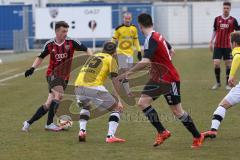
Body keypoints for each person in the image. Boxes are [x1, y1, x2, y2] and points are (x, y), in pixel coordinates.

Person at [117, 13, 204, 148]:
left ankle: (197, 136)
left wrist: (127, 74)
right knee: (143, 103)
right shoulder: (158, 35)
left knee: (177, 112)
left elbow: (145, 61)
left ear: (140, 26)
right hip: (158, 78)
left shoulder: (151, 39)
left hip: (169, 80)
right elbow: (172, 51)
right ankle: (162, 132)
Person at [22, 21, 92, 132]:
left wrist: (91, 60)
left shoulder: (71, 42)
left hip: (65, 77)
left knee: (48, 103)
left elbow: (87, 49)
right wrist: (32, 68)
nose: (66, 33)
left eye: (67, 31)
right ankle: (49, 124)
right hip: (52, 75)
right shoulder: (50, 44)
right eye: (63, 31)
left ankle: (28, 122)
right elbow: (40, 57)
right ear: (57, 31)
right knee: (58, 95)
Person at [75, 41, 125, 143]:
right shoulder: (111, 59)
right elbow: (115, 80)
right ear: (114, 52)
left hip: (78, 86)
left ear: (103, 49)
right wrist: (118, 100)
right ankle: (110, 136)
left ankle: (82, 131)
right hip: (93, 87)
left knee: (86, 106)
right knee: (116, 108)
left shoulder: (94, 56)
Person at [203, 31, 240, 138]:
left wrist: (231, 76)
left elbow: (237, 57)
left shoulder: (236, 50)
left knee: (222, 105)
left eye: (230, 42)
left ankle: (213, 130)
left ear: (234, 43)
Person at [111, 12, 142, 96]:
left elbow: (136, 40)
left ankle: (118, 81)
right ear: (123, 19)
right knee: (124, 71)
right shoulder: (119, 29)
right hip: (121, 53)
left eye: (129, 18)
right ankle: (127, 92)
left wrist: (139, 50)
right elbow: (113, 40)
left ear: (131, 18)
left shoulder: (134, 28)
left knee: (127, 73)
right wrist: (111, 48)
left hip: (130, 53)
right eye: (126, 18)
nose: (127, 20)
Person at [210, 1, 239, 90]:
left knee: (228, 64)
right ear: (222, 8)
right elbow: (215, 30)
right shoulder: (217, 19)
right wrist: (211, 41)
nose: (225, 9)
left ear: (230, 9)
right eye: (224, 8)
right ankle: (218, 83)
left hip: (228, 46)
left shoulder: (233, 20)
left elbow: (237, 32)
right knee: (216, 63)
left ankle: (227, 84)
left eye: (227, 8)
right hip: (218, 45)